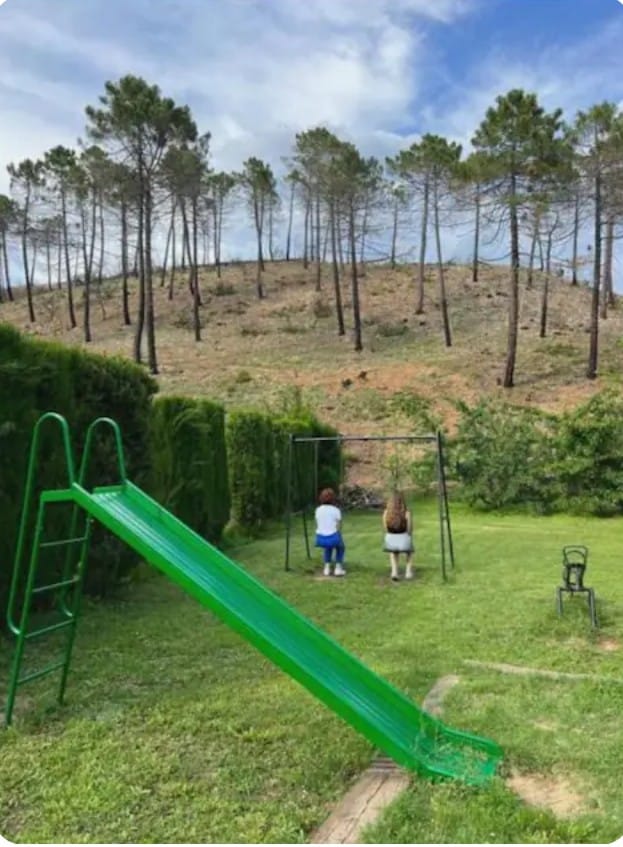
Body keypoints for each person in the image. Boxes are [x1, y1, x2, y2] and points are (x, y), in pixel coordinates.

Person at [382, 491, 414, 581]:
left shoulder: (386, 513)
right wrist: (408, 537)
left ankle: (394, 572)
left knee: (393, 553)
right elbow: (409, 529)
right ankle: (408, 572)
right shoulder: (407, 513)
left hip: (390, 539)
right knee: (409, 552)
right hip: (403, 537)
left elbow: (386, 529)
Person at [314, 488, 346, 577]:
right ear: (333, 499)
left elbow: (317, 524)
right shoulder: (336, 510)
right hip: (332, 537)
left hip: (320, 538)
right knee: (341, 547)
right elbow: (339, 527)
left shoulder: (318, 510)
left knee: (328, 547)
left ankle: (327, 568)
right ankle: (338, 568)